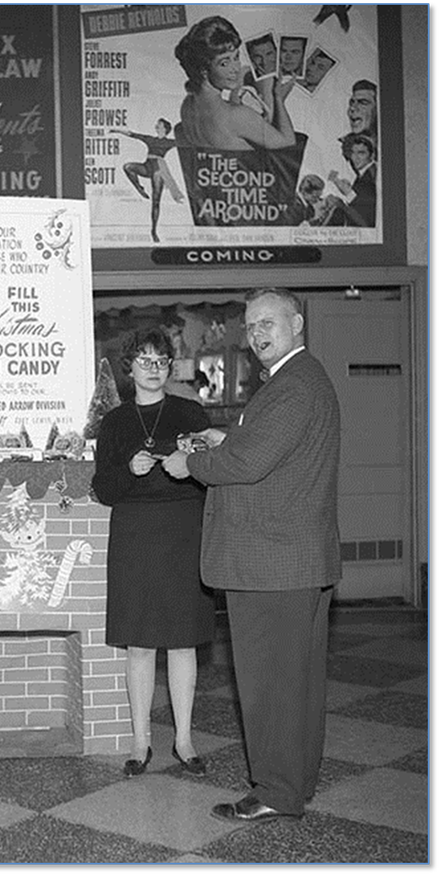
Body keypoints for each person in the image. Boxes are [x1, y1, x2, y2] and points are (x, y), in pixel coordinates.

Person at [162, 288, 341, 824]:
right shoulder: (297, 381)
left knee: (269, 684)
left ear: (298, 323)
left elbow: (248, 463)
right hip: (293, 561)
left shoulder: (294, 385)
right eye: (252, 325)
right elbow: (264, 447)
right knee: (297, 682)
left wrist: (190, 463)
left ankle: (276, 792)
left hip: (273, 564)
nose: (258, 333)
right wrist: (225, 434)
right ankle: (295, 780)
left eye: (269, 322)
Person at [91, 328, 215, 779]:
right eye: (144, 360)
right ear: (130, 368)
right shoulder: (115, 423)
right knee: (140, 643)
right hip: (134, 533)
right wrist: (129, 469)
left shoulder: (190, 412)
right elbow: (104, 490)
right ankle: (140, 740)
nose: (153, 368)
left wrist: (191, 462)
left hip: (184, 530)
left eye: (160, 361)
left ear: (170, 366)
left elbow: (210, 474)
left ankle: (184, 740)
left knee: (183, 641)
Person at [173, 15, 296, 151]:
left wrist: (237, 90)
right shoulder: (238, 116)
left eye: (236, 57)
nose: (236, 68)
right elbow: (288, 142)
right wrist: (278, 98)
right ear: (204, 70)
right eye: (224, 63)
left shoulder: (187, 105)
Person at [110, 120, 185, 243]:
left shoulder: (170, 142)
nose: (156, 126)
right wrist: (117, 130)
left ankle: (153, 231)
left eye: (159, 125)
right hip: (146, 167)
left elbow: (188, 143)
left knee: (156, 202)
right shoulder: (150, 139)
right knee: (128, 167)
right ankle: (139, 188)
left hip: (159, 171)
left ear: (164, 128)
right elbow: (133, 134)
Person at [325, 133, 377, 227]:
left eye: (361, 153)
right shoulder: (364, 173)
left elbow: (366, 210)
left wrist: (343, 201)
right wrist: (348, 191)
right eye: (353, 152)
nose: (355, 158)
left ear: (372, 155)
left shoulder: (371, 174)